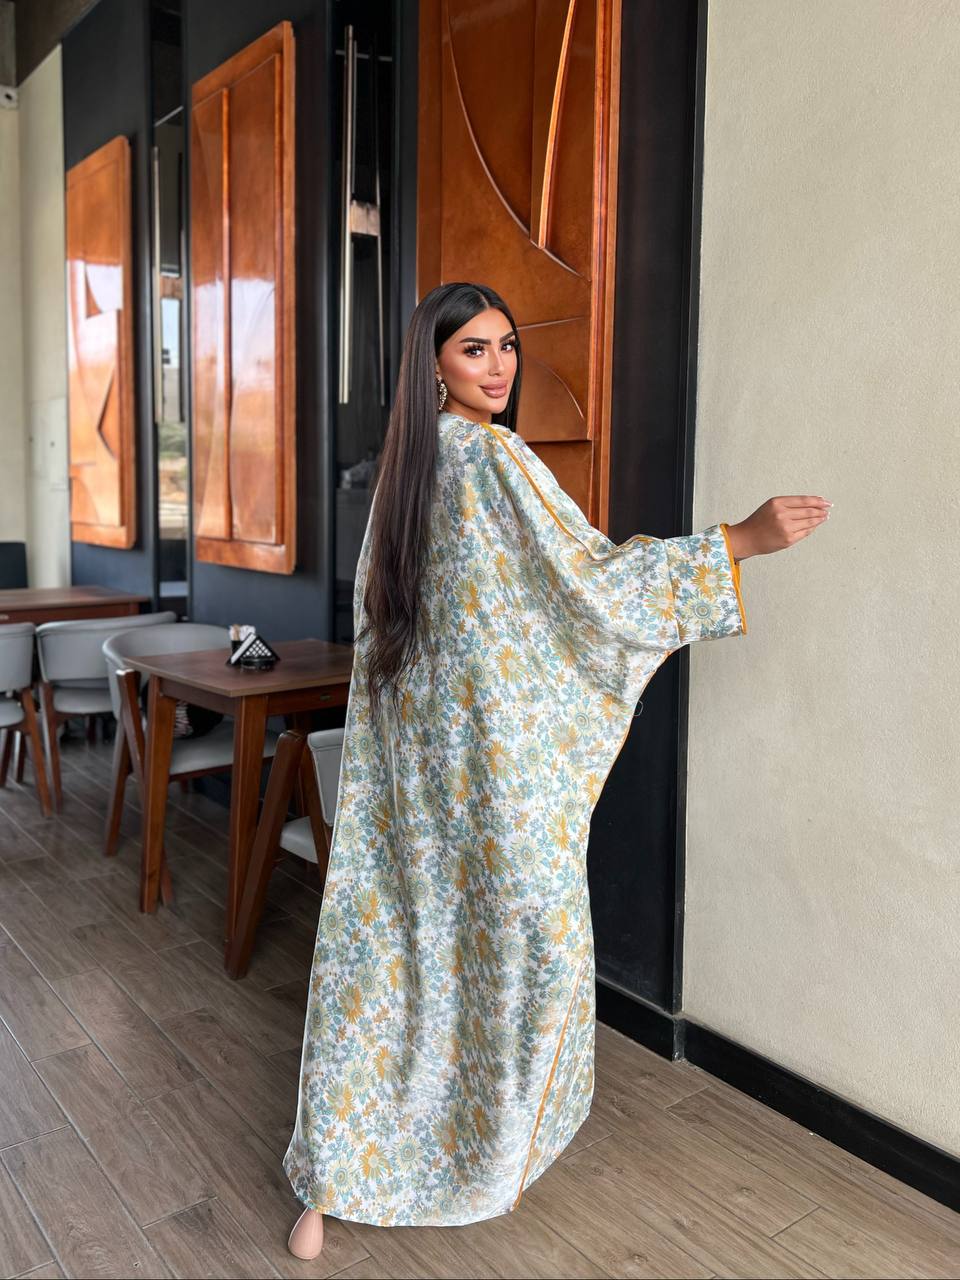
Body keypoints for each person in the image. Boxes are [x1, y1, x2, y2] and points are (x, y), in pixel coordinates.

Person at [284, 282, 830, 1259]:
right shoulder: (486, 458)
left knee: (392, 954)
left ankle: (336, 1171)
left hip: (419, 775)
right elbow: (592, 584)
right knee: (512, 950)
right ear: (434, 365)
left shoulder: (407, 472)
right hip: (481, 777)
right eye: (474, 352)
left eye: (506, 347)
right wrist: (738, 542)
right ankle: (455, 1156)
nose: (499, 368)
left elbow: (392, 633)